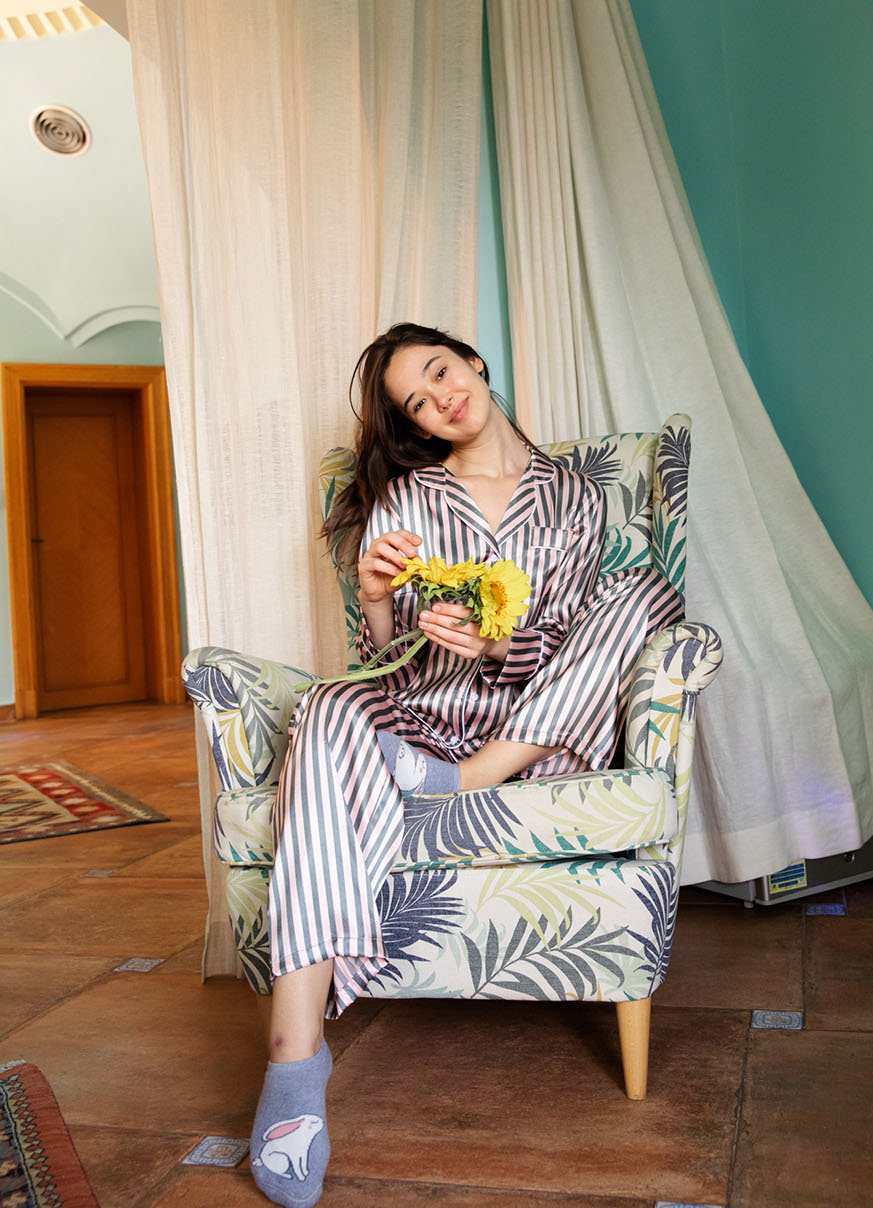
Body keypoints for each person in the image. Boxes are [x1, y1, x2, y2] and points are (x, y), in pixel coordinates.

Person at [249, 323, 683, 1206]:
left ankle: (473, 779)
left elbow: (573, 644)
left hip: (531, 734)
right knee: (326, 706)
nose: (442, 398)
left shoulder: (573, 497)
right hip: (419, 727)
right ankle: (294, 1064)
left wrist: (496, 641)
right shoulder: (406, 497)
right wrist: (378, 600)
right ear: (416, 424)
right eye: (418, 401)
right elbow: (386, 664)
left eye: (442, 372)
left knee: (645, 591)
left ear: (473, 363)